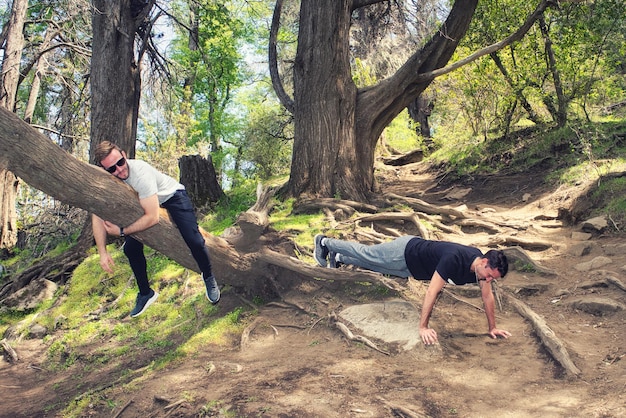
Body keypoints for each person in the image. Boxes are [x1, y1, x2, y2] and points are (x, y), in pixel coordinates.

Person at [92, 141, 220, 317]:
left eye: (120, 162)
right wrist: (102, 252)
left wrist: (122, 231)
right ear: (106, 171)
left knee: (194, 239)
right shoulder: (109, 180)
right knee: (130, 249)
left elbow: (153, 217)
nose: (119, 170)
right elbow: (96, 213)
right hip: (142, 204)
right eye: (112, 169)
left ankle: (208, 276)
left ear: (124, 154)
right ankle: (146, 293)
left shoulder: (140, 173)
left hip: (172, 197)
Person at [313, 234, 510, 345]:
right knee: (368, 253)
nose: (489, 280)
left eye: (493, 278)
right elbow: (432, 292)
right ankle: (324, 242)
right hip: (405, 251)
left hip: (412, 269)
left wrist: (492, 327)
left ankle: (338, 259)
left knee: (375, 266)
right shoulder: (454, 259)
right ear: (484, 262)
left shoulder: (480, 271)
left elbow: (488, 297)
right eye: (490, 275)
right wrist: (422, 327)